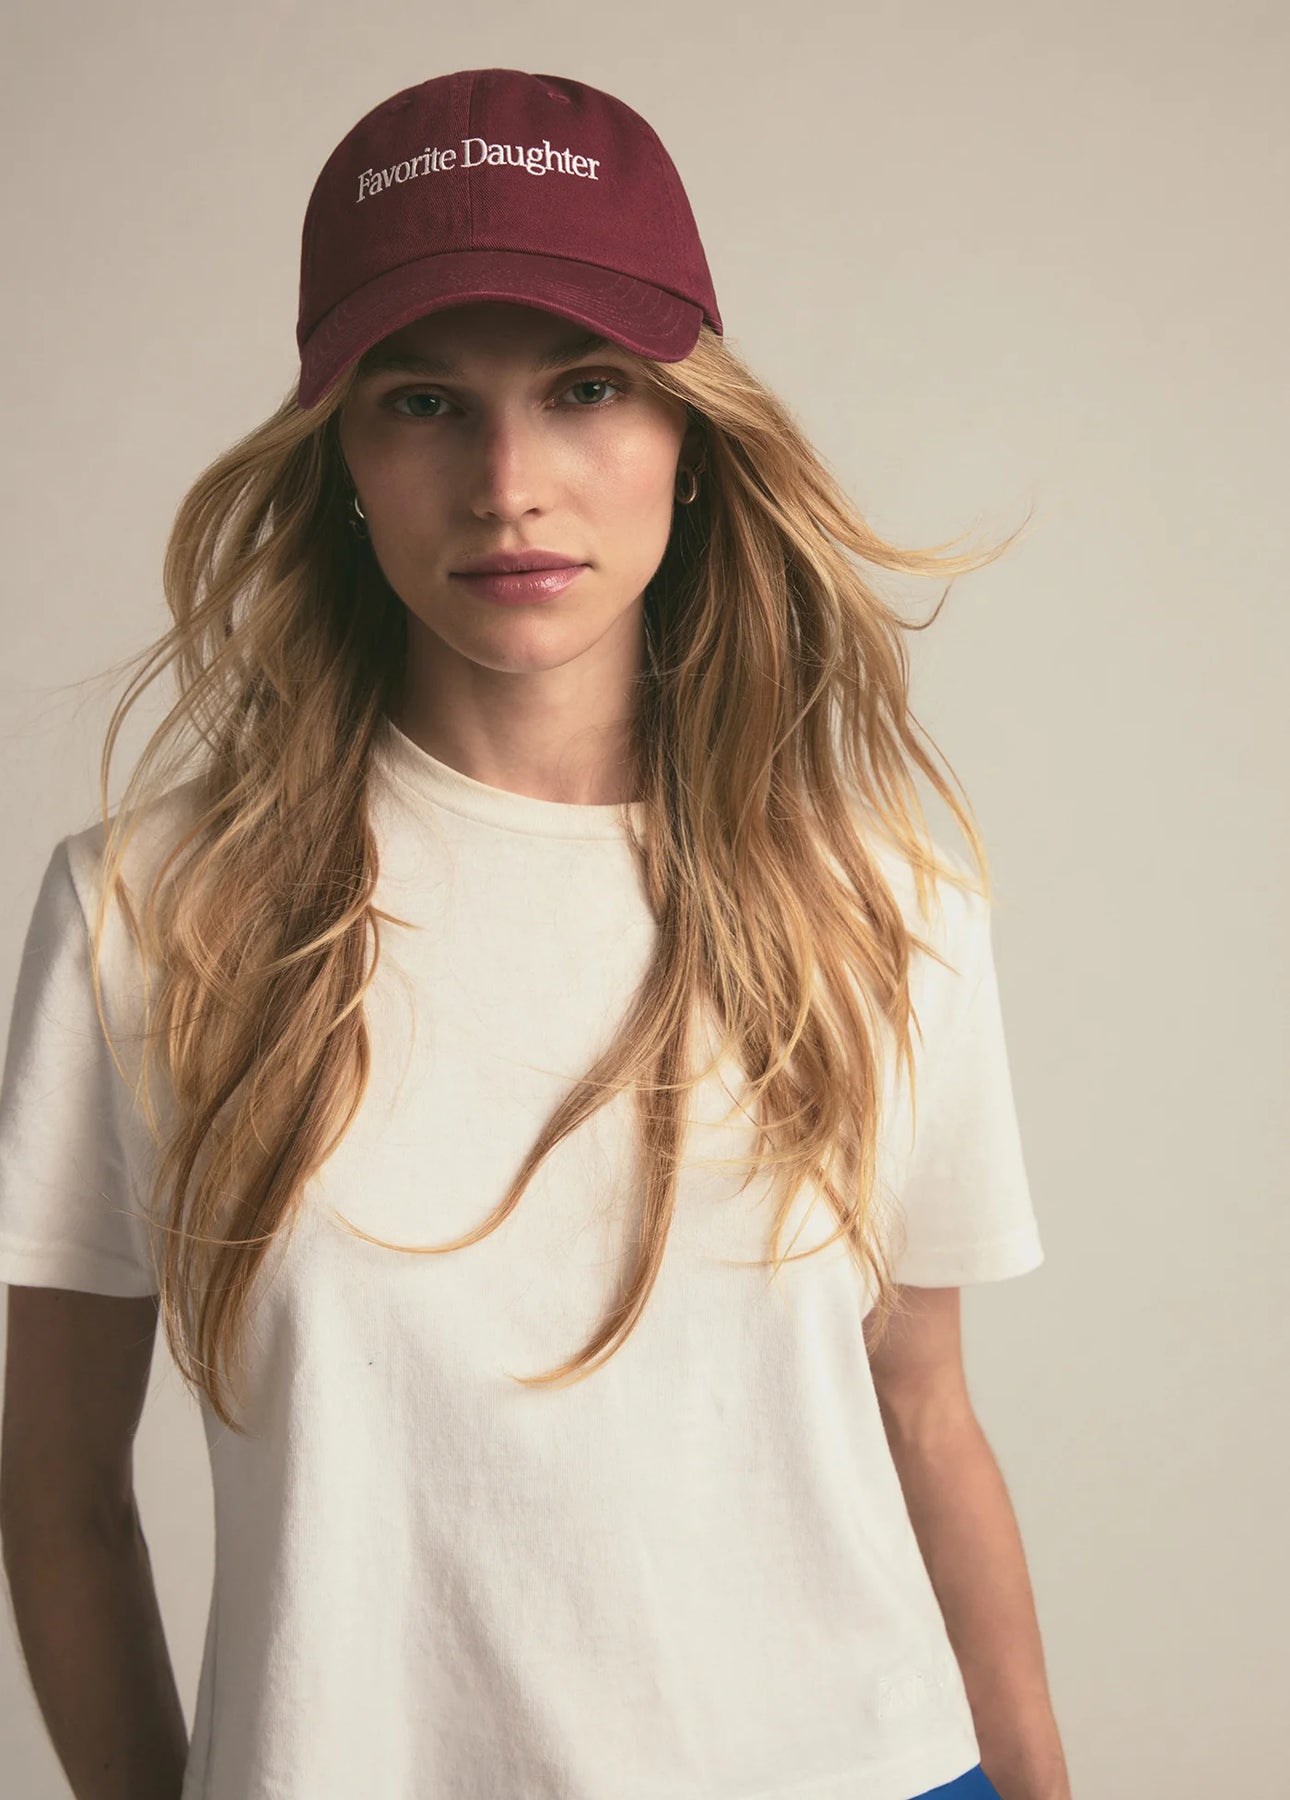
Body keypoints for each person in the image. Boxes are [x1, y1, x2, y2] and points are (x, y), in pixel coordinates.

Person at [0, 67, 1068, 1800]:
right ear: (340, 459)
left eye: (585, 389)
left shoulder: (880, 905)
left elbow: (925, 1415)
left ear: (689, 436)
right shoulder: (154, 913)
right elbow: (55, 1495)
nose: (507, 483)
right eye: (424, 402)